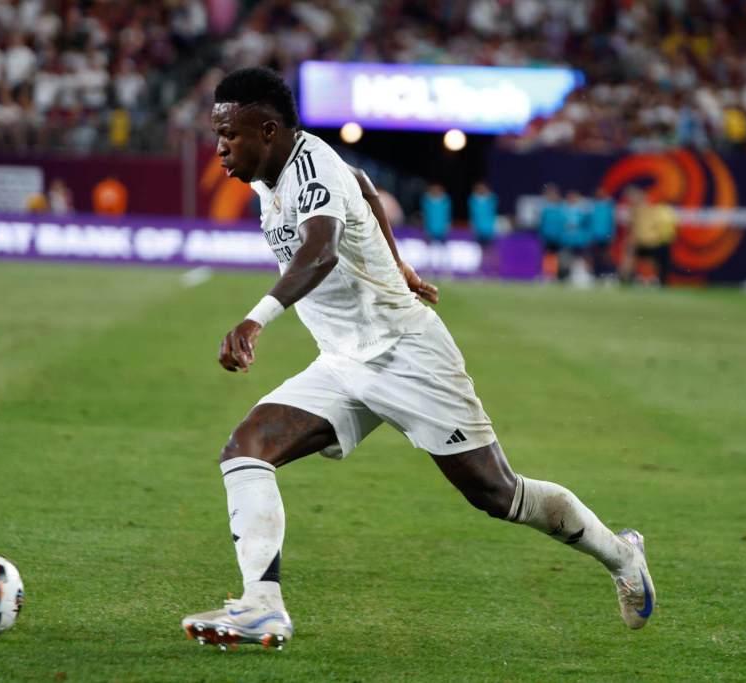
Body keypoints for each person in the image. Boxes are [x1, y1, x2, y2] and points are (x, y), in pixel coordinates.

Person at [181, 68, 656, 650]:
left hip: (407, 354)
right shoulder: (270, 175)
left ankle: (621, 554)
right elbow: (364, 183)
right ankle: (263, 606)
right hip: (343, 362)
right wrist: (398, 262)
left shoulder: (312, 168)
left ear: (268, 129)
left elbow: (321, 249)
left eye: (228, 133)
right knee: (245, 449)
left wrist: (257, 318)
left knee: (497, 494)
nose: (220, 146)